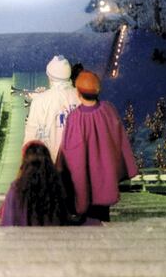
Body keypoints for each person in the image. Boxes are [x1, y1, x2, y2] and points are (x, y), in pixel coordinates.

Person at [57, 71, 138, 225]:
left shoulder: (75, 118)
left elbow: (70, 152)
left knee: (86, 217)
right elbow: (119, 138)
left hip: (84, 180)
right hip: (104, 175)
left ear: (78, 93)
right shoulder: (108, 110)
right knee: (100, 213)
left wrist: (61, 167)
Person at [0, 140, 68, 226]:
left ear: (25, 164)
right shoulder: (57, 186)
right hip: (52, 237)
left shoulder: (16, 188)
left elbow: (7, 222)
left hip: (23, 238)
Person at [23, 55, 78, 162]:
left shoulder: (40, 100)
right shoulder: (80, 96)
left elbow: (31, 138)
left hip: (52, 166)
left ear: (50, 76)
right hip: (78, 164)